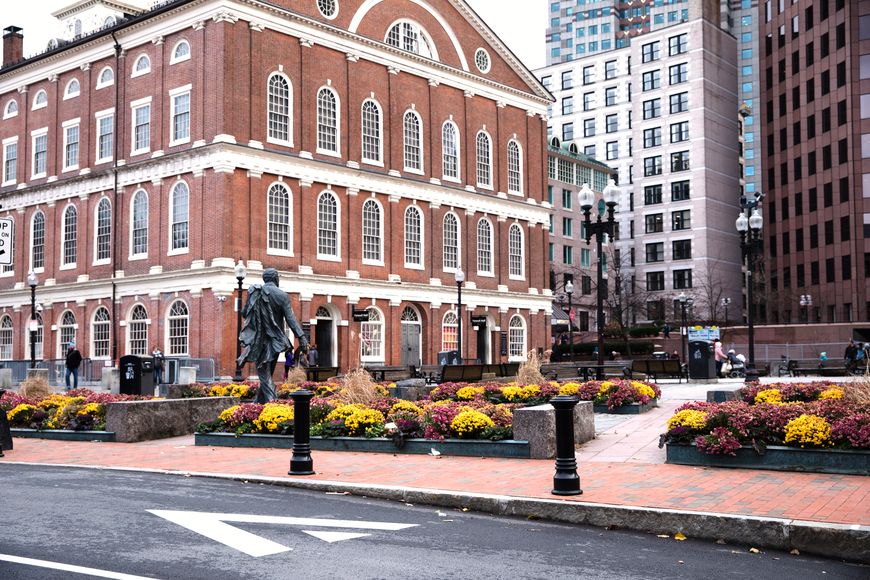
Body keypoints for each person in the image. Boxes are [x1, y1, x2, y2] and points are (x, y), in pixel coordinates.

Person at [238, 268, 309, 403]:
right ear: (276, 278)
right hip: (275, 341)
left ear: (265, 279)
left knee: (265, 374)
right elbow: (291, 319)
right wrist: (301, 337)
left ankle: (265, 404)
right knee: (266, 374)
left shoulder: (255, 293)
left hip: (259, 340)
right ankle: (269, 404)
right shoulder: (282, 295)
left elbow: (245, 313)